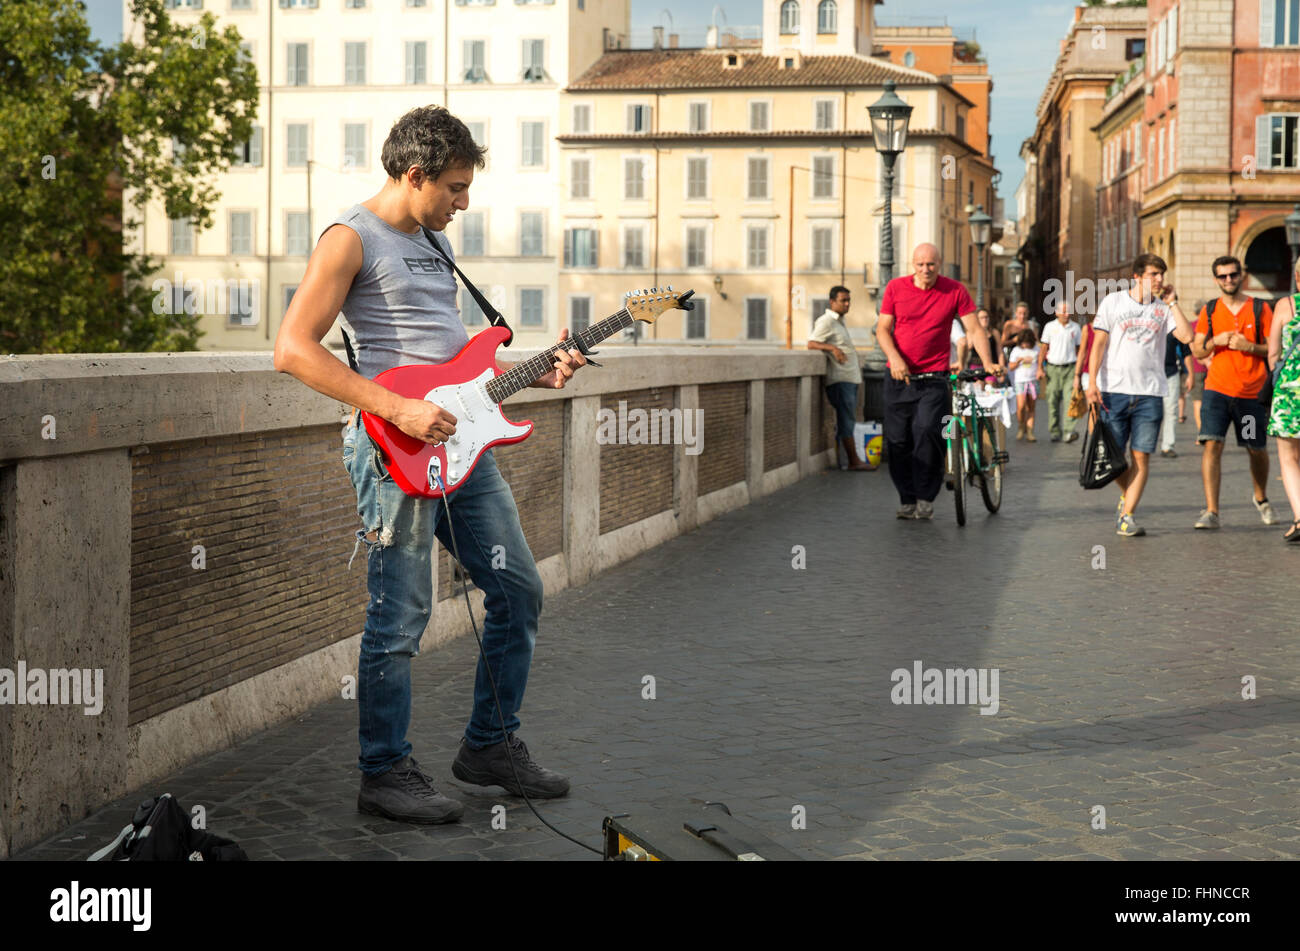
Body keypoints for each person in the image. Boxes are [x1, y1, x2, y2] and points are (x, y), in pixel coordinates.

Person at [273, 106, 586, 825]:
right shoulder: (351, 238)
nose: (463, 202)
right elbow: (293, 348)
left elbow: (450, 361)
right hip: (393, 449)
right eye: (454, 186)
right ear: (413, 174)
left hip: (460, 440)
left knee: (518, 589)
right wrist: (397, 409)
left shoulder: (433, 244)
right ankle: (383, 770)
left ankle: (489, 745)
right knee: (401, 613)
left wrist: (530, 373)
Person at [875, 243, 1003, 519]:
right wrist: (895, 358)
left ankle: (924, 497)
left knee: (928, 430)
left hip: (934, 378)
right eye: (920, 264)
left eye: (931, 264)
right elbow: (883, 330)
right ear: (913, 264)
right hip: (899, 377)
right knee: (897, 441)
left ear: (939, 264)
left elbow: (974, 329)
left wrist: (988, 361)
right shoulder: (896, 288)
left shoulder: (954, 290)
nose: (926, 270)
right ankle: (907, 498)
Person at [1085, 253, 1195, 537]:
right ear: (1136, 277)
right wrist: (1091, 383)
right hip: (1114, 391)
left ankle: (1128, 514)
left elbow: (1187, 337)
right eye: (1153, 274)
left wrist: (1172, 302)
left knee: (1142, 457)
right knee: (1114, 459)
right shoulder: (1113, 302)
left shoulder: (1163, 308)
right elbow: (1098, 344)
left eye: (1161, 274)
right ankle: (1128, 495)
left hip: (1150, 393)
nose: (1159, 280)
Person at [1190, 255, 1277, 529]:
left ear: (1241, 275)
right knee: (1212, 444)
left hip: (1250, 395)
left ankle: (1260, 497)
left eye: (1233, 275)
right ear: (1216, 279)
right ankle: (1211, 511)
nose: (1228, 280)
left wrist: (1250, 347)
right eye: (1223, 276)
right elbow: (1198, 349)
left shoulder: (1259, 308)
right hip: (1216, 391)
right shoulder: (1210, 310)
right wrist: (1214, 341)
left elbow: (1275, 349)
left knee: (1255, 448)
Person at [808, 286, 874, 471]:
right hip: (840, 380)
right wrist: (833, 349)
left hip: (849, 378)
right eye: (843, 300)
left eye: (848, 301)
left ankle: (845, 460)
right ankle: (853, 461)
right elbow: (811, 343)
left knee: (848, 419)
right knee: (846, 420)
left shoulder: (839, 322)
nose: (847, 304)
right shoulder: (826, 321)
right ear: (832, 302)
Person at [1266, 262, 1300, 542]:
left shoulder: (1285, 306)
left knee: (1289, 458)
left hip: (1290, 392)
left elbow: (1273, 352)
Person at [1037, 301, 1082, 443]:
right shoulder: (1050, 327)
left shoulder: (1075, 327)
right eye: (1063, 311)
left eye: (1068, 311)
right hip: (1053, 369)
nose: (1066, 314)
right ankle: (1055, 430)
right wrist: (1039, 367)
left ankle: (1069, 431)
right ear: (1056, 312)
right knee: (1052, 400)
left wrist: (1079, 372)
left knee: (1070, 400)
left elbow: (1079, 350)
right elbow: (1044, 348)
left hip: (1070, 368)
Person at [1157, 329, 1192, 458]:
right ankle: (1143, 445)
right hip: (1149, 375)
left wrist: (1190, 374)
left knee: (1171, 410)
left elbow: (1186, 351)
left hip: (1171, 373)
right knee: (1150, 412)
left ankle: (1168, 446)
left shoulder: (1175, 326)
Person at [1009, 329, 1041, 441]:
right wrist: (1018, 361)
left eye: (1027, 342)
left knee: (1031, 407)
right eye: (1023, 342)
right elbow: (1011, 367)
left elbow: (1041, 364)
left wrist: (1040, 371)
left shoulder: (1037, 349)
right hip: (1020, 381)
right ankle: (1021, 426)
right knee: (1021, 406)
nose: (1025, 344)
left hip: (1033, 380)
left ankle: (1030, 431)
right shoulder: (1016, 350)